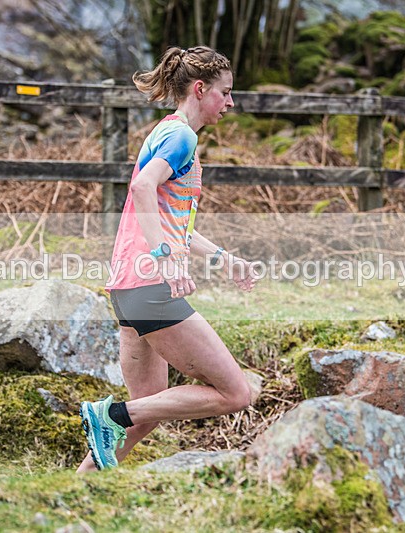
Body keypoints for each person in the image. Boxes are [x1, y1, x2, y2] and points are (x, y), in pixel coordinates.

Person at [76, 45, 258, 472]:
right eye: (225, 93)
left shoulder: (165, 131)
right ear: (200, 89)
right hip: (149, 282)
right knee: (236, 393)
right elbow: (142, 189)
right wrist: (165, 260)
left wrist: (223, 258)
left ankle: (78, 487)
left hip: (126, 284)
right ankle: (110, 415)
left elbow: (172, 220)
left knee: (149, 407)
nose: (230, 103)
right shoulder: (182, 137)